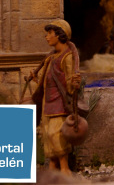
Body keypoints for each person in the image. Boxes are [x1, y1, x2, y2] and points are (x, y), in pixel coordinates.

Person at [29, 19, 81, 176]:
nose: (47, 36)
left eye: (50, 33)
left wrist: (75, 82)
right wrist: (37, 80)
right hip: (48, 103)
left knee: (56, 134)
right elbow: (49, 79)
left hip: (59, 104)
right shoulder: (51, 57)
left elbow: (70, 83)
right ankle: (52, 167)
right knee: (47, 135)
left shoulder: (67, 57)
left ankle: (64, 168)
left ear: (59, 35)